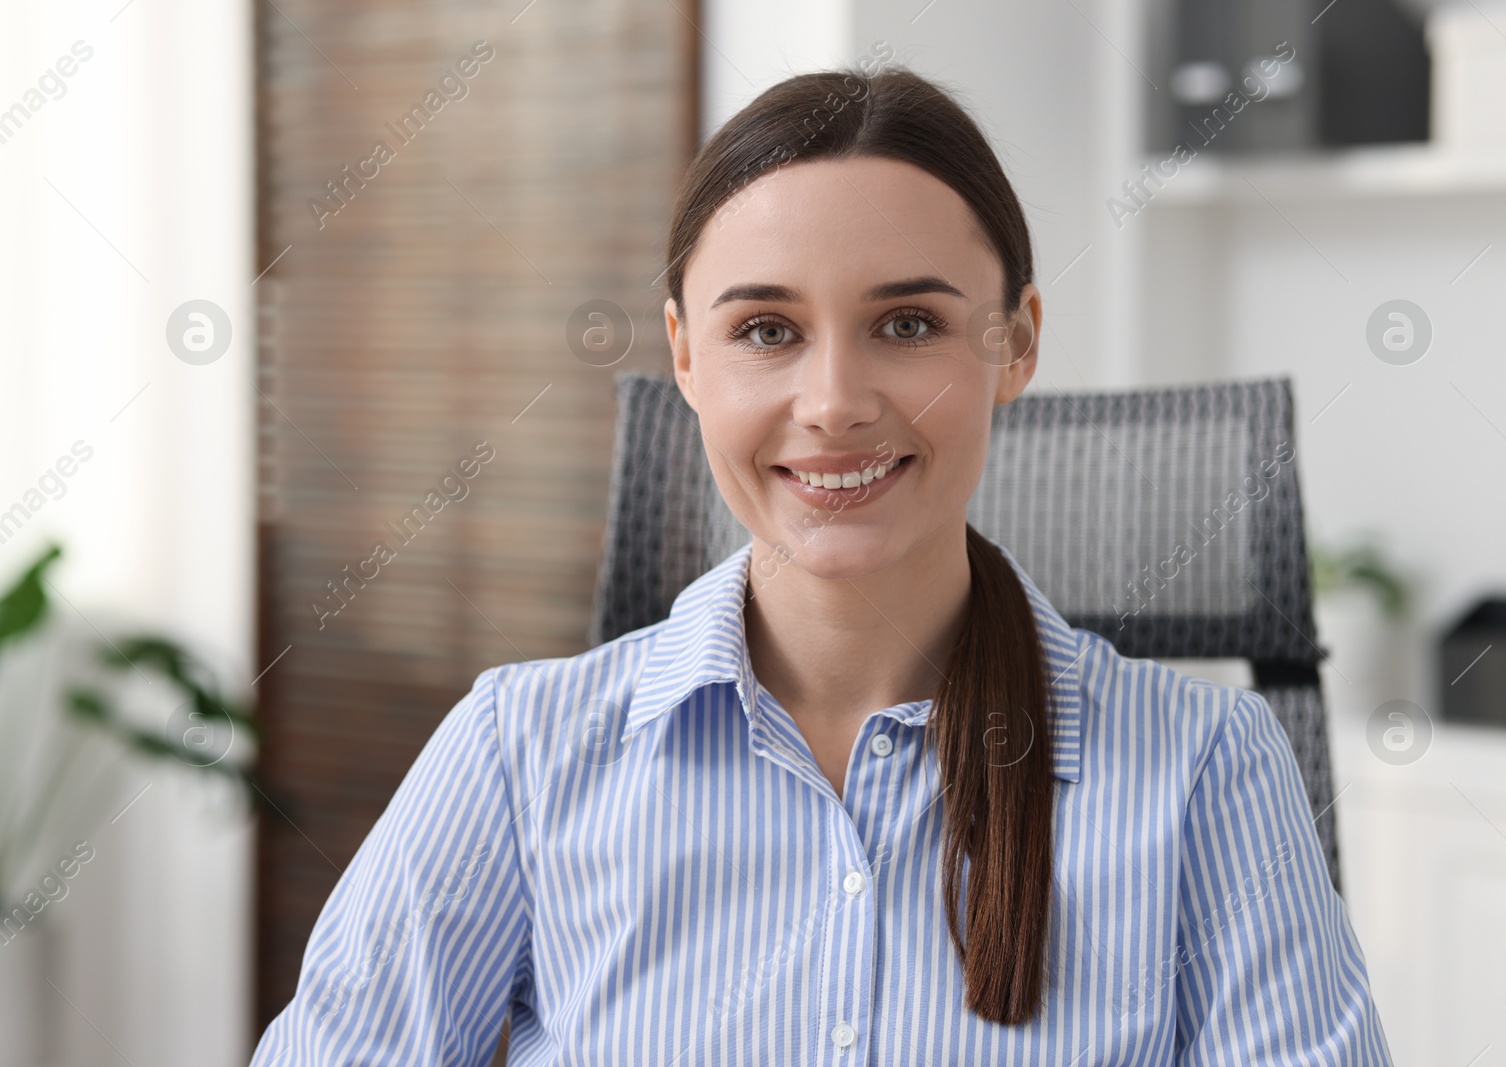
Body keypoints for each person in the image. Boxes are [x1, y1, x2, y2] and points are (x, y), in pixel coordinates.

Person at [251, 64, 1392, 1065]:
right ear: (687, 353)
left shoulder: (1203, 773)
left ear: (1016, 343)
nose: (837, 402)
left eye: (906, 324)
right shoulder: (520, 755)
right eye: (766, 329)